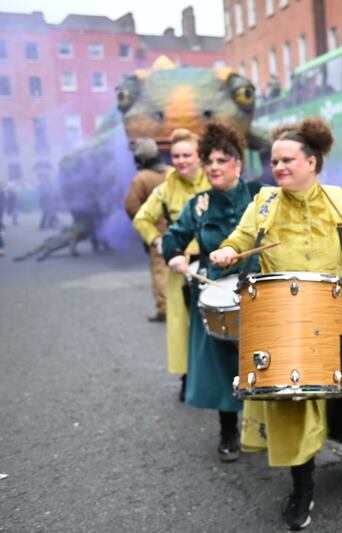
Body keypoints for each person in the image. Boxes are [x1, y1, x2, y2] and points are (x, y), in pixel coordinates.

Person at [210, 117, 342, 531]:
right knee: (293, 402)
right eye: (275, 161)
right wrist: (226, 251)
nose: (279, 167)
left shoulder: (340, 199)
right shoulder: (263, 201)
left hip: (336, 306)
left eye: (288, 160)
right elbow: (240, 240)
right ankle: (302, 487)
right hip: (282, 316)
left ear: (312, 162)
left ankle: (341, 427)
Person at [160, 123, 261, 462]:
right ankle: (228, 428)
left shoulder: (261, 196)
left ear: (238, 163)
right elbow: (173, 237)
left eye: (222, 159)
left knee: (263, 360)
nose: (214, 167)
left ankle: (266, 425)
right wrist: (174, 256)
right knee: (222, 365)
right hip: (214, 292)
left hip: (257, 289)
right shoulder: (199, 205)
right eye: (209, 161)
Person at [133, 129, 210, 400]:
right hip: (180, 268)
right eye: (176, 156)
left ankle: (221, 379)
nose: (181, 161)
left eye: (187, 155)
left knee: (218, 324)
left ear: (199, 155)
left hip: (214, 266)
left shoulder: (214, 180)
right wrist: (157, 240)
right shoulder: (165, 187)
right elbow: (142, 217)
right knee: (183, 326)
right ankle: (187, 377)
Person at [124, 139, 169, 322]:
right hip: (181, 230)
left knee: (159, 271)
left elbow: (131, 206)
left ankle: (164, 309)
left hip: (156, 233)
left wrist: (147, 223)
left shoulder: (141, 179)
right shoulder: (172, 172)